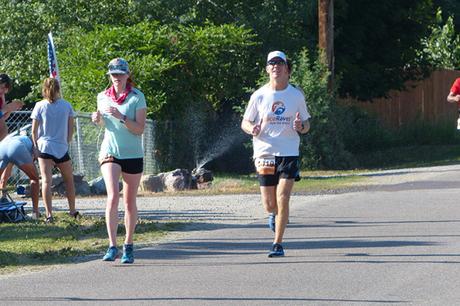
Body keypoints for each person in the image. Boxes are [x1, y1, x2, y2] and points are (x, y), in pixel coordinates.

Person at [241, 51, 310, 257]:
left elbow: (306, 124)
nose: (276, 67)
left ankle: (277, 244)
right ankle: (273, 215)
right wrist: (251, 128)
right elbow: (245, 122)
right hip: (264, 152)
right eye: (272, 63)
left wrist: (300, 126)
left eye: (280, 63)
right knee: (270, 204)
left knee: (283, 197)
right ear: (267, 69)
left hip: (288, 152)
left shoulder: (296, 95)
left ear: (287, 69)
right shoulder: (259, 95)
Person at [91, 58, 147, 264]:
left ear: (127, 75)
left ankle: (128, 245)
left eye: (120, 74)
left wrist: (122, 116)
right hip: (110, 152)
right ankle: (112, 245)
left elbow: (140, 129)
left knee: (129, 201)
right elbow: (104, 124)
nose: (117, 77)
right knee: (113, 195)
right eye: (113, 74)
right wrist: (97, 120)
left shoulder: (137, 97)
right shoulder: (102, 97)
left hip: (132, 153)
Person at [31, 77, 77, 223]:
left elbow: (34, 131)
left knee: (46, 181)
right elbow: (71, 128)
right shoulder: (67, 106)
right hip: (61, 147)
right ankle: (72, 211)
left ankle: (49, 215)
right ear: (58, 88)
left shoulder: (39, 105)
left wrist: (36, 148)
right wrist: (66, 142)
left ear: (44, 89)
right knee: (69, 180)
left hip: (44, 147)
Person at [0, 135, 40, 219]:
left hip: (2, 146)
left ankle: (3, 197)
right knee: (35, 178)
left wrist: (3, 189)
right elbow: (35, 157)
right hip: (16, 147)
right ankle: (35, 214)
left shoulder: (19, 137)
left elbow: (5, 175)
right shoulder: (34, 142)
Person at [0, 73, 24, 140]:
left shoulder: (1, 97)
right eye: (2, 87)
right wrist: (5, 109)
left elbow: (3, 118)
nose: (4, 91)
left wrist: (10, 109)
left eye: (6, 89)